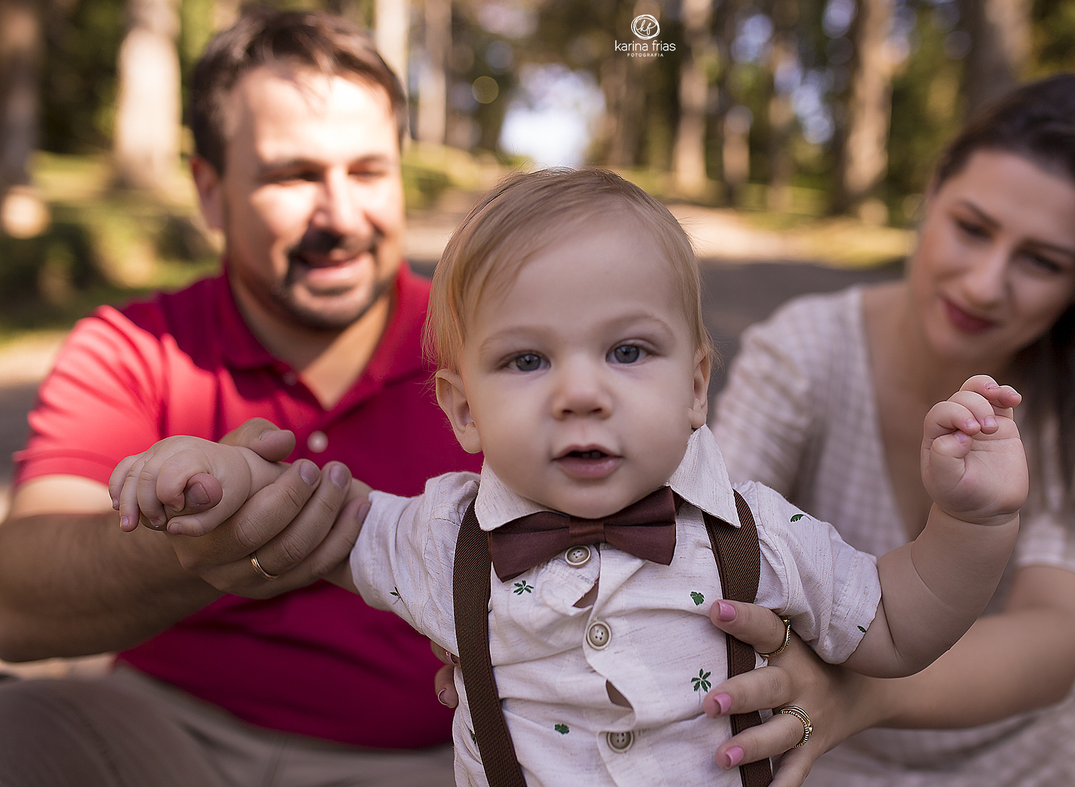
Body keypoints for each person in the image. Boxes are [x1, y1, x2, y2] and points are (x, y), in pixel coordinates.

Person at [111, 167, 1028, 785]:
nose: (581, 393)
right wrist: (218, 472)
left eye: (628, 350)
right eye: (525, 362)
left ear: (697, 384)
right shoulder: (437, 540)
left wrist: (970, 525)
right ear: (462, 410)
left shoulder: (755, 534)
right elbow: (303, 516)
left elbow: (901, 624)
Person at [0, 10, 481, 786]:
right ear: (210, 191)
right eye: (294, 176)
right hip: (169, 738)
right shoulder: (133, 345)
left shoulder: (493, 347)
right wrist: (186, 549)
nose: (342, 217)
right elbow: (15, 602)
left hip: (434, 757)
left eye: (367, 172)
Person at [701, 73, 1075, 786]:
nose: (984, 284)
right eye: (972, 228)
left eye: (1042, 261)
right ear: (931, 194)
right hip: (818, 720)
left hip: (1026, 723)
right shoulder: (805, 351)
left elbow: (1055, 634)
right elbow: (714, 551)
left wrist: (862, 694)